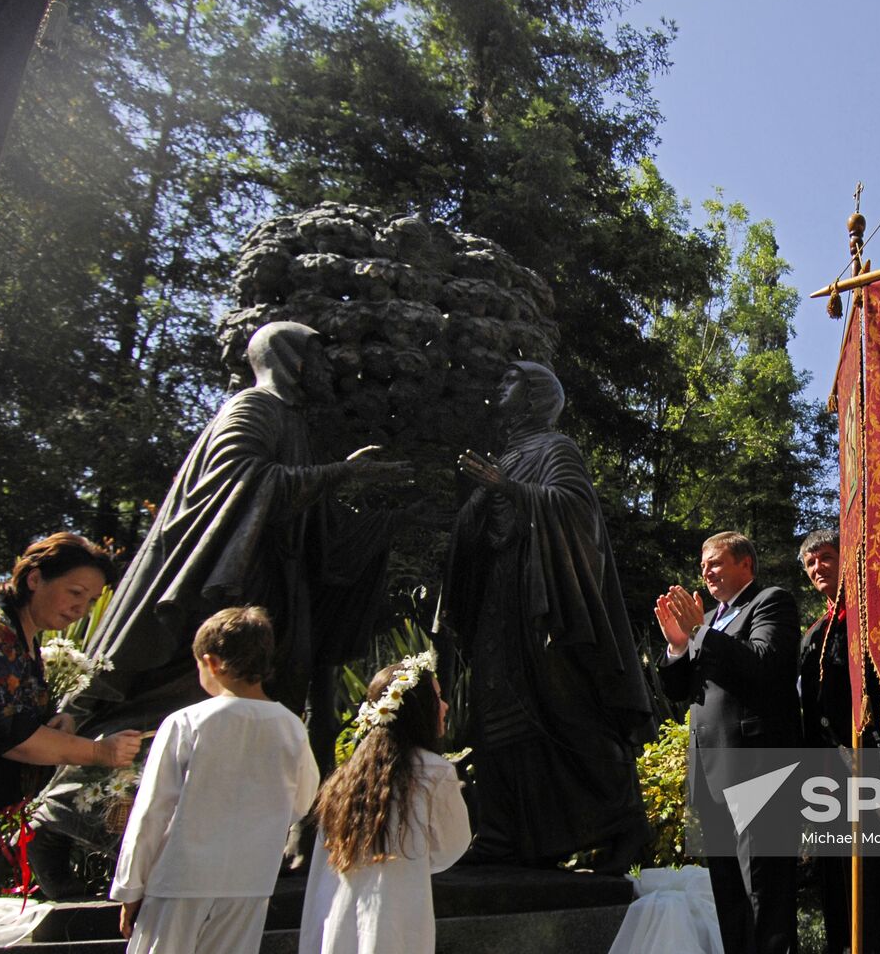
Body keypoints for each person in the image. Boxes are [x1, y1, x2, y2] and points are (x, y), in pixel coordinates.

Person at [34, 322, 405, 888]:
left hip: (266, 602)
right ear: (293, 361)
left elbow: (303, 521)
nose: (331, 369)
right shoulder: (253, 409)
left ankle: (244, 844)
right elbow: (237, 482)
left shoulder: (291, 423)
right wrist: (340, 473)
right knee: (164, 709)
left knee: (241, 730)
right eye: (320, 358)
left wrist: (375, 519)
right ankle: (57, 830)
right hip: (213, 599)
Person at [443, 361, 653, 870]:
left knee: (564, 711)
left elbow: (575, 510)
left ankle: (624, 823)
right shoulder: (508, 456)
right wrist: (477, 506)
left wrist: (510, 488)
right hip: (500, 604)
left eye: (510, 379)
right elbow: (481, 532)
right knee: (497, 718)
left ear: (536, 396)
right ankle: (500, 834)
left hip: (543, 606)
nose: (499, 385)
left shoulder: (554, 448)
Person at [0, 533, 141, 929]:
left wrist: (57, 720)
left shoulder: (21, 637)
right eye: (75, 592)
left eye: (91, 601)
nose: (81, 608)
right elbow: (2, 734)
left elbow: (14, 721)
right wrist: (98, 752)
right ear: (35, 578)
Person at [111, 606, 319, 953]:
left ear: (212, 663)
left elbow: (152, 809)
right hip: (251, 879)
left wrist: (130, 887)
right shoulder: (291, 727)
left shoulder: (187, 721)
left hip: (180, 878)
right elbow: (302, 800)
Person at [655, 531, 800, 954]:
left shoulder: (770, 602)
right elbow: (681, 689)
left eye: (715, 563)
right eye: (703, 566)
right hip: (710, 775)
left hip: (759, 770)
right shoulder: (711, 621)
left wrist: (700, 630)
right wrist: (678, 646)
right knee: (730, 897)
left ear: (745, 564)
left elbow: (765, 664)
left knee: (765, 895)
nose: (706, 572)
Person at [300, 654, 470, 954]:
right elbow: (453, 845)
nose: (444, 708)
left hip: (338, 919)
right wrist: (413, 860)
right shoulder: (433, 772)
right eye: (438, 699)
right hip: (399, 915)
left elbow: (320, 868)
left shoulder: (345, 779)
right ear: (417, 710)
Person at [796, 528, 880, 954]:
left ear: (845, 559)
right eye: (810, 564)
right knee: (840, 880)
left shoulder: (876, 618)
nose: (817, 569)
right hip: (829, 776)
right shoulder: (814, 635)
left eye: (826, 557)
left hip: (876, 764)